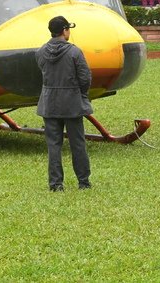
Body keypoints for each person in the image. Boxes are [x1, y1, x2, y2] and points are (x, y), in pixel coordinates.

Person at [36, 16, 92, 191]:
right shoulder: (75, 52)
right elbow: (85, 78)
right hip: (72, 103)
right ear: (65, 30)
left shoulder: (41, 51)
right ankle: (83, 181)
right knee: (78, 144)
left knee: (54, 145)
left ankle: (55, 184)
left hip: (49, 103)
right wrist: (80, 94)